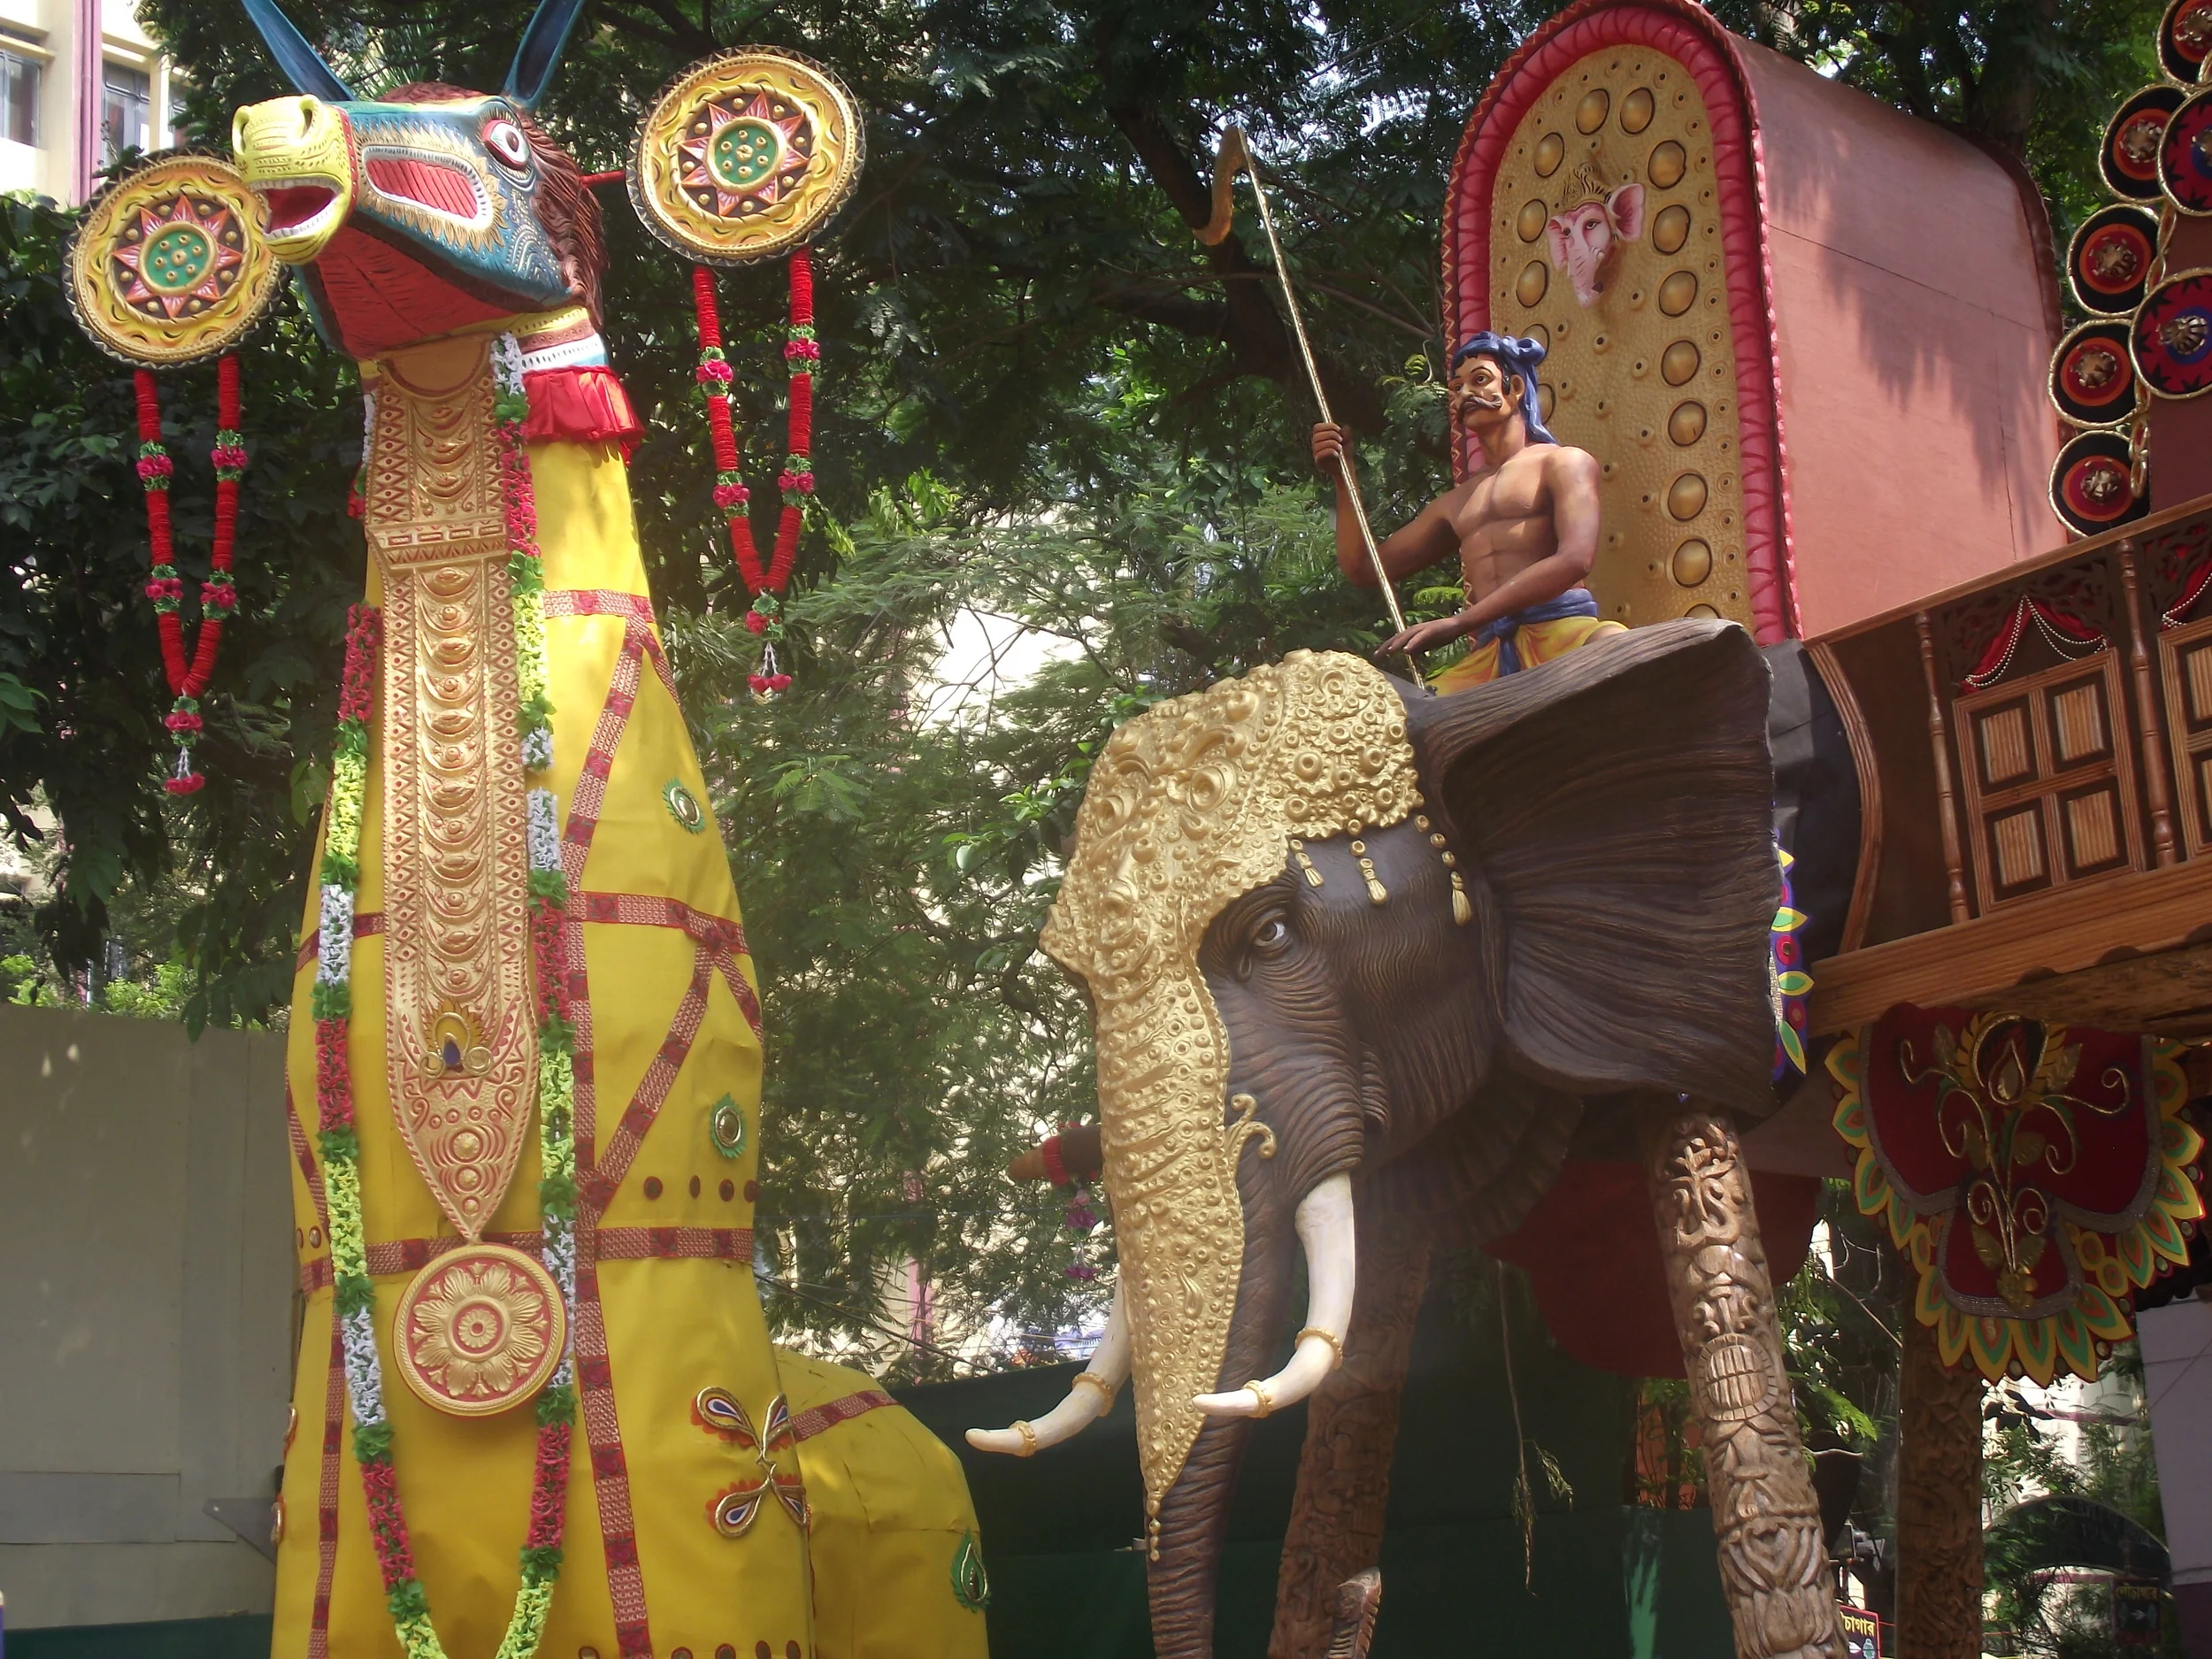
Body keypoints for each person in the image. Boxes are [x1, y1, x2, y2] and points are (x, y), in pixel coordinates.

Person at [1312, 332, 1623, 693]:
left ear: (1516, 387)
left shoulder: (1563, 462)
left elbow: (1575, 559)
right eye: (1456, 387)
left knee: (1617, 647)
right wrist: (1343, 477)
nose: (1463, 395)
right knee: (1401, 717)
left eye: (1479, 380)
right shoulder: (1456, 502)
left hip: (1564, 635)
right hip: (1487, 657)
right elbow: (1365, 569)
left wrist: (1459, 623)